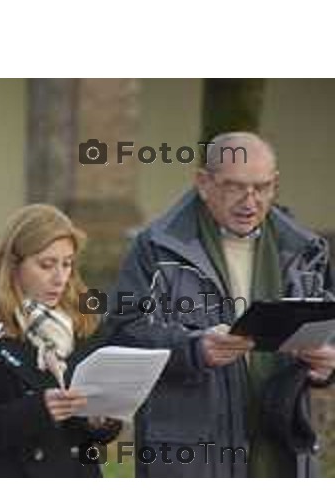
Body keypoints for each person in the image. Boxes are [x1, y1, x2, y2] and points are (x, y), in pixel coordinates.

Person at [108, 132, 335, 478]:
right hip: (191, 456)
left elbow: (327, 327)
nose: (250, 201)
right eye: (235, 187)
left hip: (282, 449)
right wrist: (194, 350)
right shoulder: (155, 248)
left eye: (261, 188)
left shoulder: (305, 250)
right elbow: (123, 333)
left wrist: (326, 363)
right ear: (203, 182)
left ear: (275, 185)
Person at [0, 204, 121, 477]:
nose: (59, 278)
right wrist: (37, 410)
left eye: (67, 264)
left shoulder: (84, 321)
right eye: (46, 265)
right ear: (13, 264)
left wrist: (100, 421)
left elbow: (97, 435)